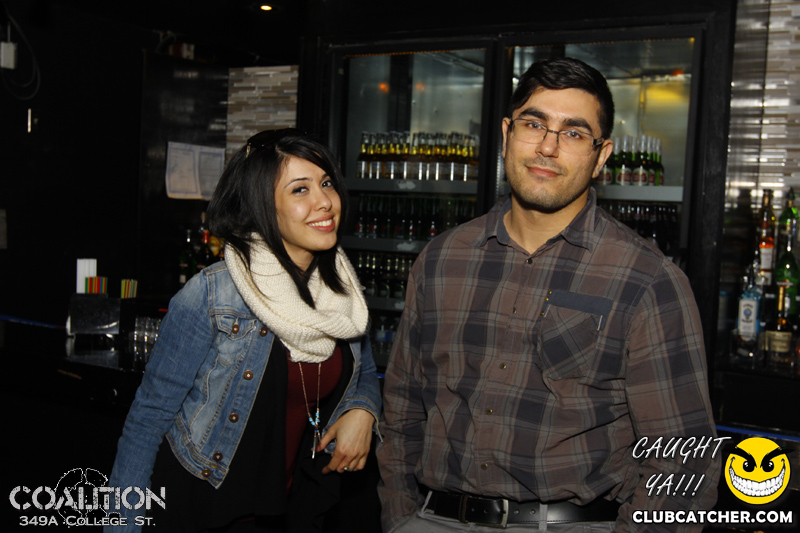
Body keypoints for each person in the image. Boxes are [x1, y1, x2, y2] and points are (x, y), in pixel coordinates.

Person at [377, 58, 720, 532]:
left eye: (574, 133)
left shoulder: (647, 279)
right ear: (506, 133)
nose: (547, 146)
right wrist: (399, 518)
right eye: (534, 124)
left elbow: (684, 461)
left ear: (601, 156)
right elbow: (401, 409)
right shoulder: (442, 259)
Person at [106, 128, 381, 533]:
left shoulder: (342, 293)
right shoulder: (214, 293)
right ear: (262, 205)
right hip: (203, 503)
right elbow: (148, 417)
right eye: (300, 190)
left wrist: (363, 410)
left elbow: (366, 372)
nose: (325, 201)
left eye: (326, 183)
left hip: (292, 506)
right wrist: (121, 524)